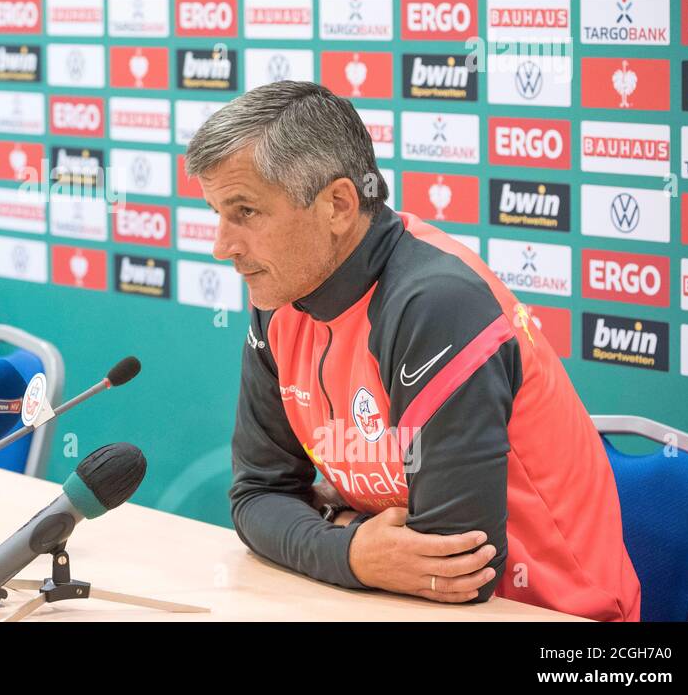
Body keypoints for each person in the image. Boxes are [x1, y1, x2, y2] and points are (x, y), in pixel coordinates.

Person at [186, 80, 639, 621]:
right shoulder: (280, 294)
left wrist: (329, 525)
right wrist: (354, 550)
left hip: (550, 615)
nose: (222, 246)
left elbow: (456, 569)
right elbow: (256, 498)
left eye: (246, 212)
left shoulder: (435, 303)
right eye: (217, 213)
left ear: (337, 204)